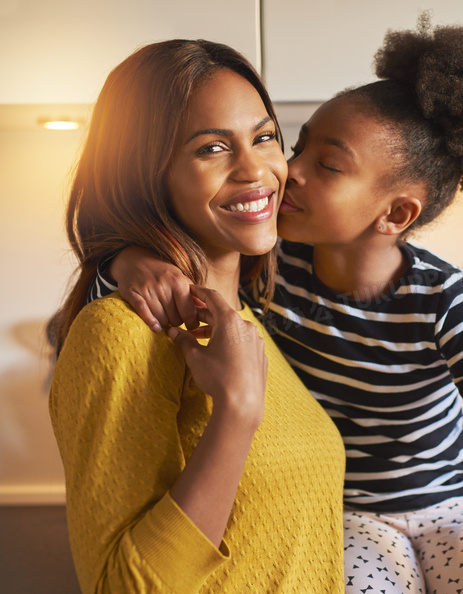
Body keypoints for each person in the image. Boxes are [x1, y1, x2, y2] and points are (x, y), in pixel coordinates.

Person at [97, 19, 463, 594]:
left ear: (396, 215)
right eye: (297, 145)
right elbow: (123, 305)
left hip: (456, 506)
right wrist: (124, 261)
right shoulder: (266, 267)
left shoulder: (446, 301)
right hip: (347, 514)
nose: (288, 171)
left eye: (327, 165)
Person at [47, 39, 346, 593]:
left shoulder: (251, 322)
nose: (256, 170)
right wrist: (236, 412)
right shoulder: (119, 334)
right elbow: (120, 586)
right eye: (212, 148)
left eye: (264, 137)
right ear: (144, 173)